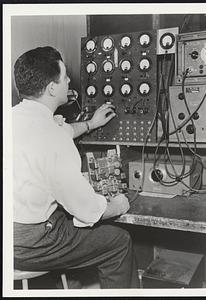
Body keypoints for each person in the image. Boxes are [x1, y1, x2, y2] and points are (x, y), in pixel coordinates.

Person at [13, 46, 139, 289]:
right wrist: (118, 204)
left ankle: (73, 285)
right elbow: (89, 211)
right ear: (52, 88)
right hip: (30, 245)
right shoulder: (52, 136)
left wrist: (91, 123)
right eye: (65, 77)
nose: (70, 80)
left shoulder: (15, 118)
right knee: (118, 241)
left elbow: (66, 130)